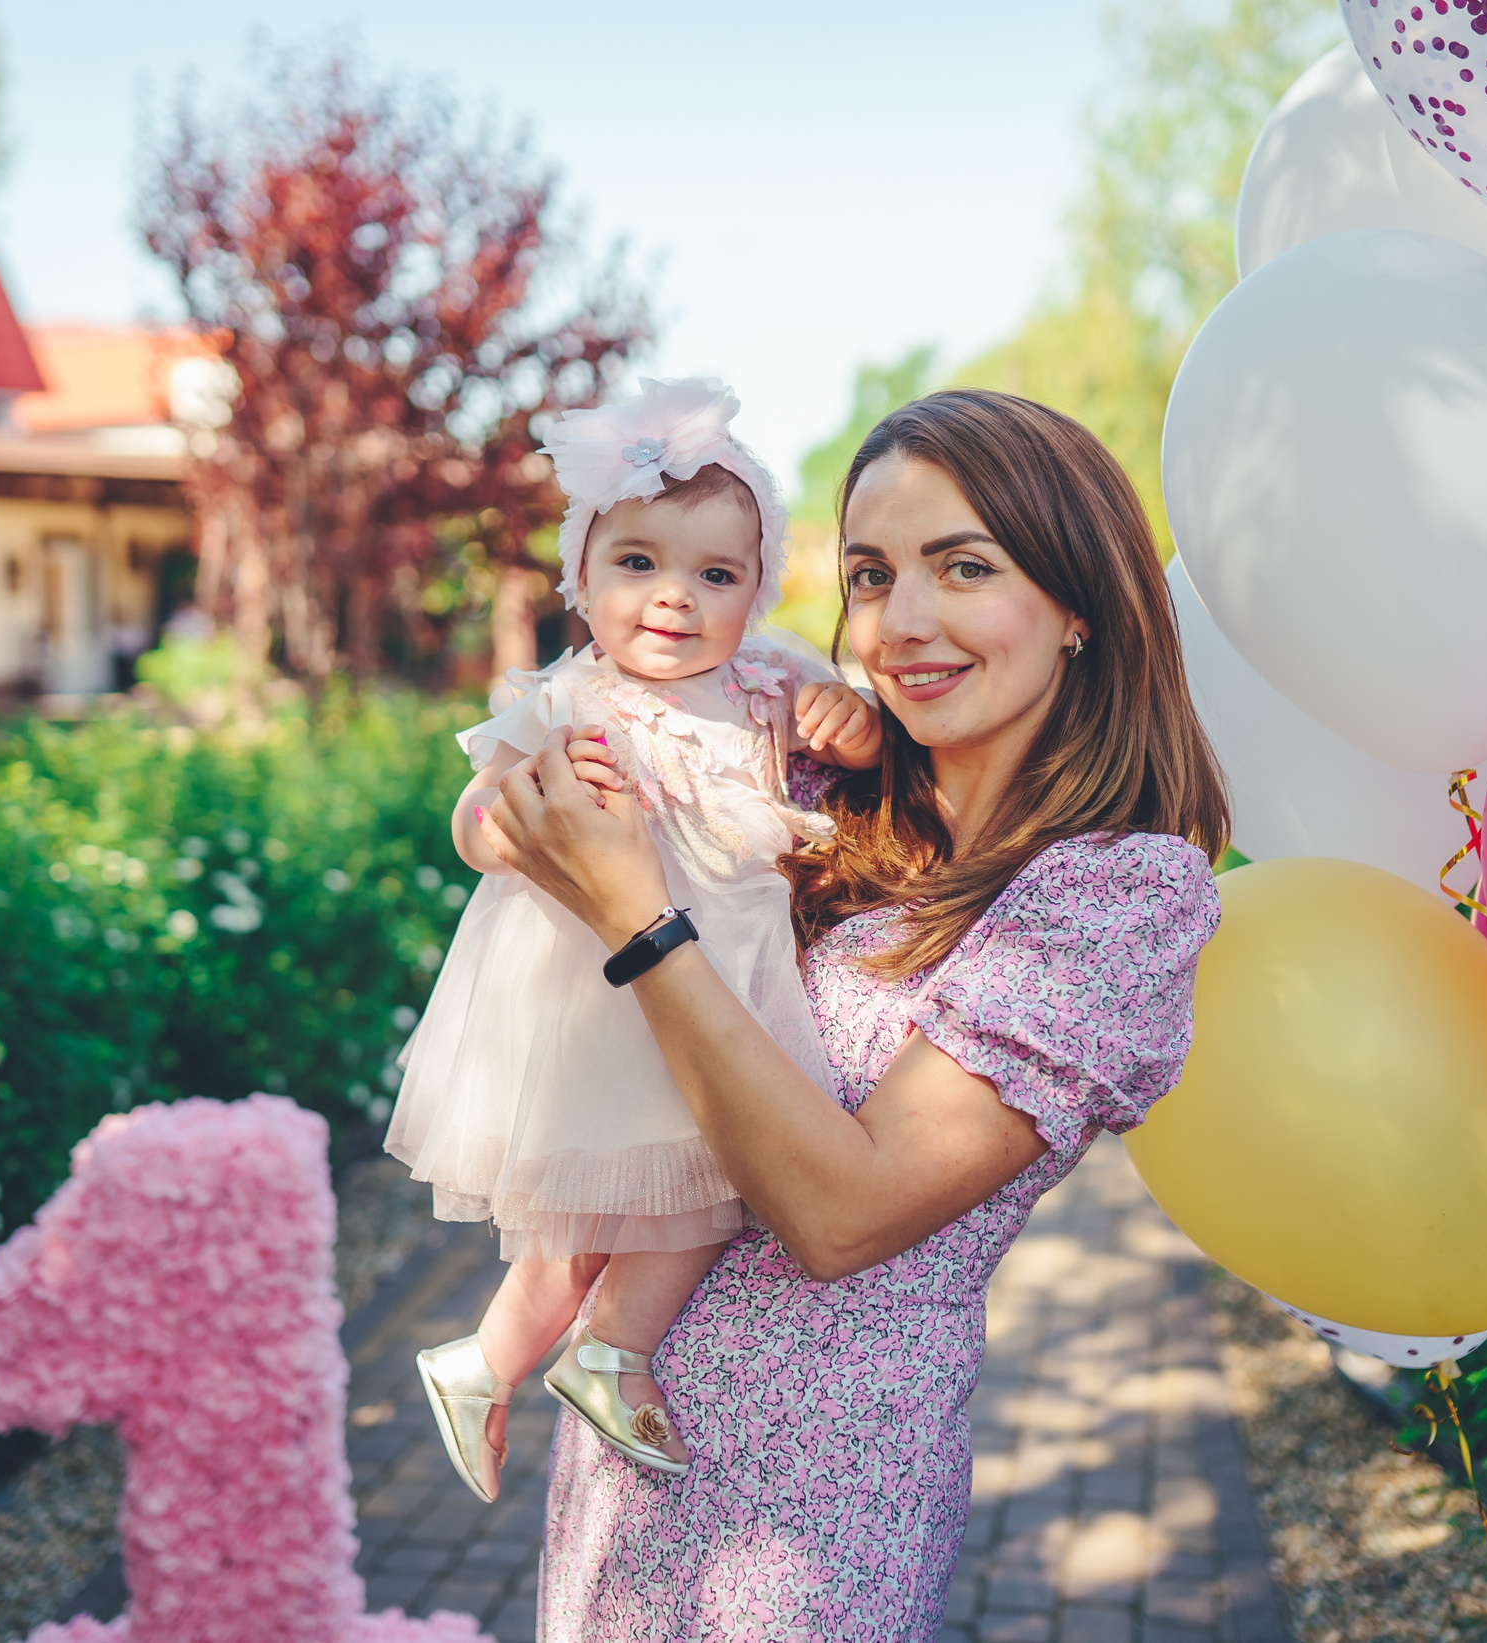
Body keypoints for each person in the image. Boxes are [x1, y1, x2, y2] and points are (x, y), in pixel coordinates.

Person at [478, 389, 1230, 1640]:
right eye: (873, 575)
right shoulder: (821, 784)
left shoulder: (1117, 892)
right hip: (625, 1456)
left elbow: (841, 1215)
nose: (903, 622)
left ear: (1080, 605)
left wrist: (637, 924)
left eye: (965, 567)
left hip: (810, 1514)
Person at [388, 378, 882, 1500]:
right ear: (583, 578)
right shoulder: (566, 703)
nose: (673, 598)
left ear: (756, 591)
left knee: (707, 1180)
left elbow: (856, 741)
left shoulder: (773, 678)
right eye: (638, 564)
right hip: (599, 990)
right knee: (623, 1198)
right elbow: (471, 824)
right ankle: (548, 1353)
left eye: (715, 574)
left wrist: (852, 731)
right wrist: (521, 815)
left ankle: (535, 1359)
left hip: (728, 978)